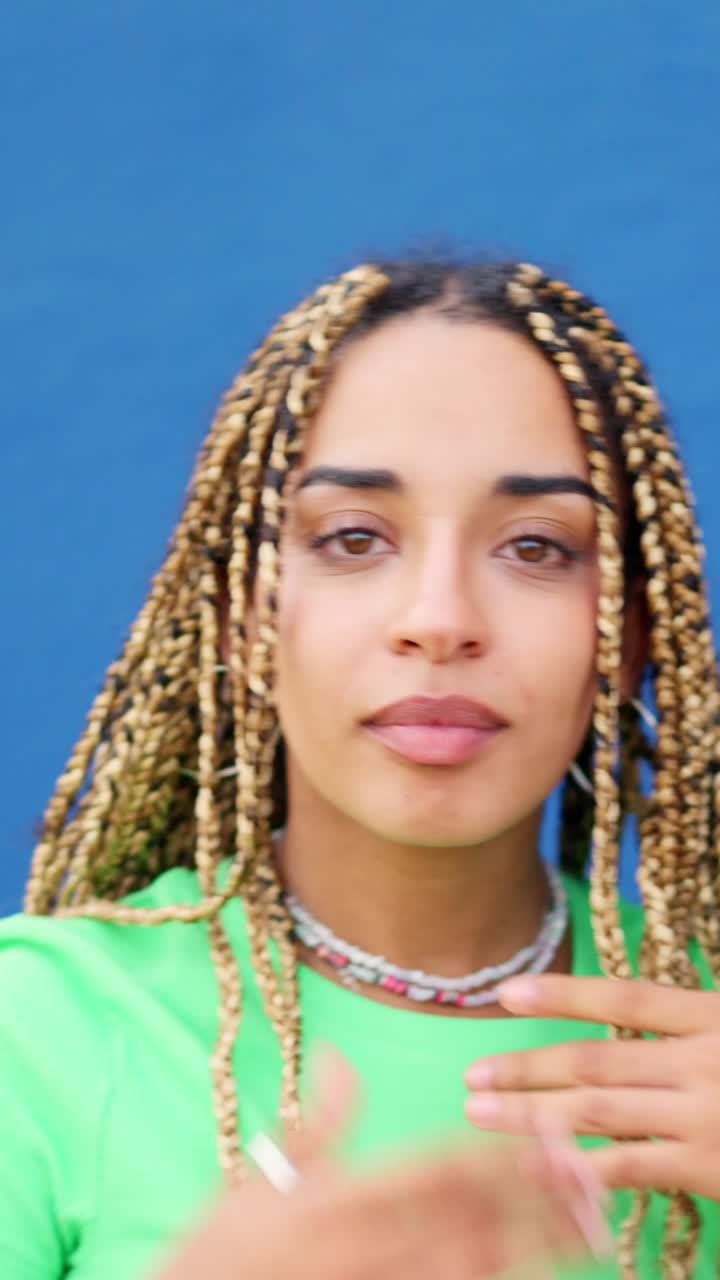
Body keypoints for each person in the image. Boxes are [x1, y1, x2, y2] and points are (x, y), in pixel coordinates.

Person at [3, 257, 720, 1279]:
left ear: (628, 635)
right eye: (353, 537)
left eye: (534, 547)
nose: (439, 618)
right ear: (245, 616)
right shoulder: (36, 1032)